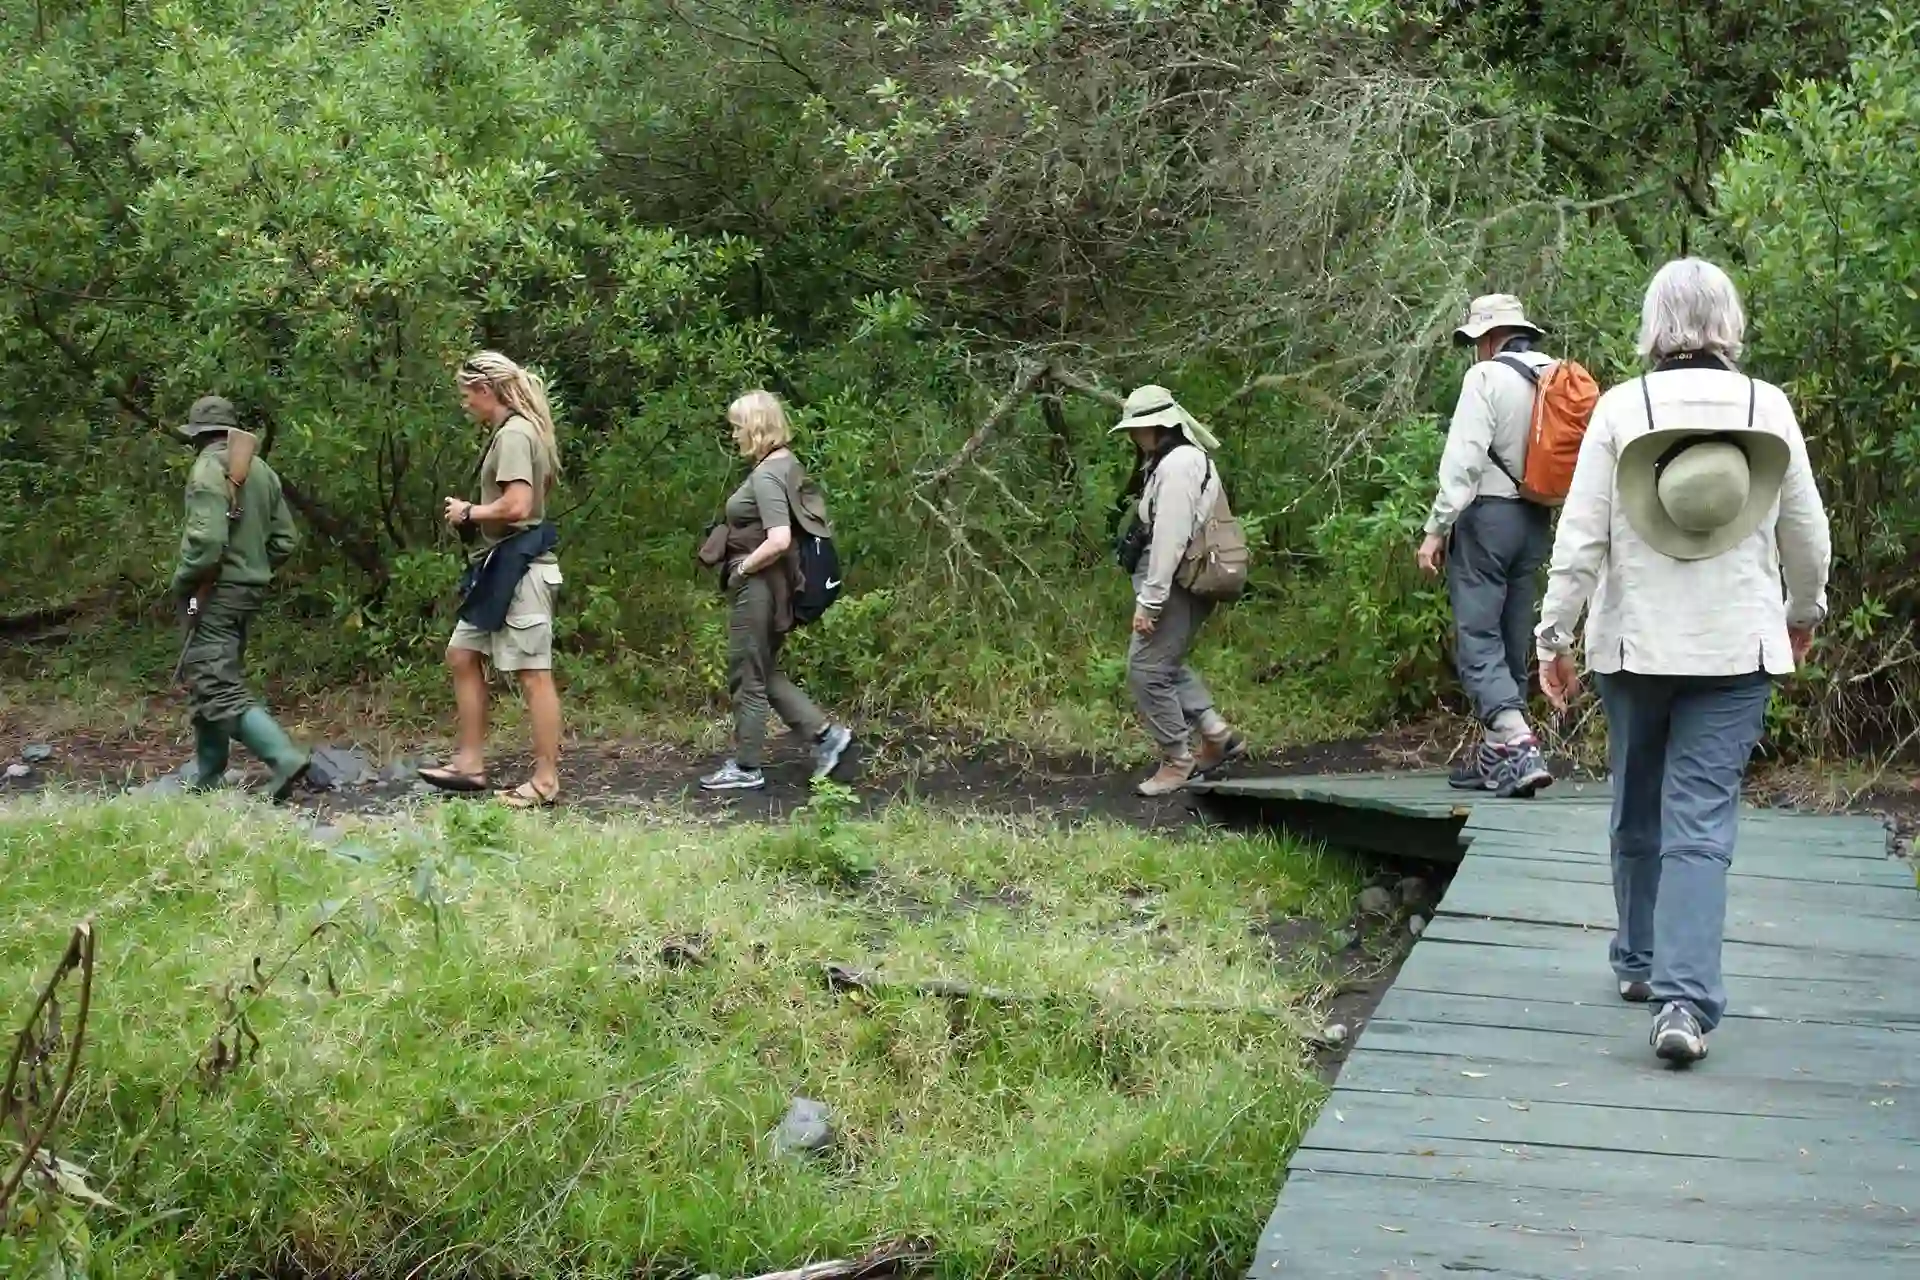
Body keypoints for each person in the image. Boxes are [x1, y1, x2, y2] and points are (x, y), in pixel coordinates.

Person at [1535, 258, 1830, 1065]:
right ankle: (1684, 1001)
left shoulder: (1623, 408)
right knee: (1699, 819)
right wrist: (1803, 613)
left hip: (1636, 646)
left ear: (1655, 325)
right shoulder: (1766, 406)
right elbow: (1806, 532)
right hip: (1736, 645)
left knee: (1636, 796)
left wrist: (1552, 637)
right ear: (1728, 324)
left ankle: (1639, 962)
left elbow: (1582, 535)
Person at [1418, 294, 1557, 798]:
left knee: (1478, 635)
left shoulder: (1486, 378)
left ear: (1487, 338)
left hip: (1488, 520)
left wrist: (1436, 528)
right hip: (1537, 519)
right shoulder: (1555, 374)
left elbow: (1464, 462)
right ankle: (1498, 759)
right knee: (1512, 631)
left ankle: (1518, 740)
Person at [418, 351, 566, 809]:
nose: (465, 405)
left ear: (487, 391)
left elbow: (519, 505)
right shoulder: (513, 432)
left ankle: (545, 781)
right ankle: (469, 764)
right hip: (498, 565)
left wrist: (470, 512)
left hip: (522, 569)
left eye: (467, 396)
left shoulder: (517, 433)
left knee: (532, 674)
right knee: (462, 654)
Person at [698, 390, 854, 792]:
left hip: (760, 585)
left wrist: (743, 570)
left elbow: (779, 538)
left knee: (746, 674)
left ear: (755, 426)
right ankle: (826, 736)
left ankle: (747, 767)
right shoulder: (787, 464)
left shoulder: (767, 475)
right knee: (763, 670)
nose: (733, 436)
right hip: (779, 584)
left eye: (737, 427)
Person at [170, 395, 310, 799]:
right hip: (245, 591)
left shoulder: (206, 470)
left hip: (213, 591)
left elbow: (208, 542)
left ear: (197, 435)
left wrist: (185, 580)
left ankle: (283, 757)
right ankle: (208, 775)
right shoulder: (262, 471)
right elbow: (285, 540)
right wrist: (252, 567)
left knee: (216, 683)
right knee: (209, 677)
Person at [1111, 384, 1246, 797]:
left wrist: (1150, 603)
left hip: (1176, 582)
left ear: (1158, 426)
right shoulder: (1169, 462)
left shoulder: (1179, 465)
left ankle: (1177, 759)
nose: (1134, 436)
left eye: (1139, 428)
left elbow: (1169, 540)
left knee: (1146, 670)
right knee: (1163, 662)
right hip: (1177, 580)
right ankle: (1215, 733)